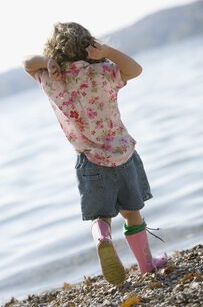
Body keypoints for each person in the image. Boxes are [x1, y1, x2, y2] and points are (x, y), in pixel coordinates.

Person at [23, 22, 167, 285]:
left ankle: (102, 238)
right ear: (90, 45)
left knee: (101, 216)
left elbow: (26, 63)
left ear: (54, 53)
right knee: (132, 213)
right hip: (122, 155)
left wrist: (46, 61)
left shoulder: (51, 80)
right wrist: (107, 52)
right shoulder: (102, 72)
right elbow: (136, 69)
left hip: (90, 161)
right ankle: (147, 265)